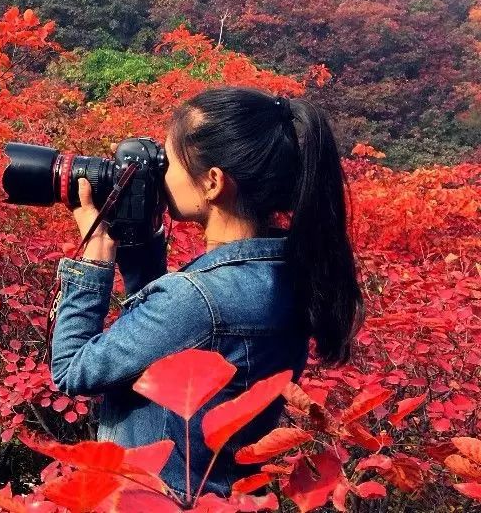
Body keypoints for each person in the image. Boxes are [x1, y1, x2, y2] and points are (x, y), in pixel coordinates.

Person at [48, 86, 364, 500]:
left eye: (166, 159)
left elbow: (72, 369)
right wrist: (142, 238)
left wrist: (94, 262)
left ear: (213, 182)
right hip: (220, 498)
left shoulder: (202, 298)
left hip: (161, 498)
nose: (157, 172)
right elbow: (162, 343)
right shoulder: (287, 274)